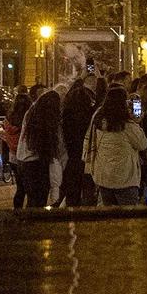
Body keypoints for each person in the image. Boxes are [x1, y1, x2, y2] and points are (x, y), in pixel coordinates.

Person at [83, 86, 147, 205]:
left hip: (104, 177)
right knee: (129, 217)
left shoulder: (98, 123)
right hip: (125, 178)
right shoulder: (127, 126)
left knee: (109, 216)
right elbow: (142, 144)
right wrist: (137, 123)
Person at [14, 88, 66, 207]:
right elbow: (53, 146)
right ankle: (33, 224)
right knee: (38, 201)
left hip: (23, 161)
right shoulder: (47, 120)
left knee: (31, 200)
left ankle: (27, 222)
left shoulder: (31, 113)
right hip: (36, 165)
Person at [59, 77, 96, 205]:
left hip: (72, 158)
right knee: (88, 191)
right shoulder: (89, 118)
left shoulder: (66, 117)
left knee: (72, 193)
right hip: (86, 158)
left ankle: (72, 216)